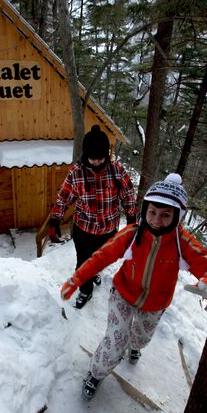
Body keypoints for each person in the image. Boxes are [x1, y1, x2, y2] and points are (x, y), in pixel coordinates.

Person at [60, 173, 207, 401]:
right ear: (145, 210)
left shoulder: (182, 242)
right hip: (123, 293)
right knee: (115, 341)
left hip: (155, 303)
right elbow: (102, 256)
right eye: (152, 212)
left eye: (165, 215)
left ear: (177, 216)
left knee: (140, 339)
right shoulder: (132, 233)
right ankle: (96, 373)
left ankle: (135, 346)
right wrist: (78, 278)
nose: (156, 220)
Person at [48, 124, 136, 309]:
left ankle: (94, 272)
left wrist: (131, 218)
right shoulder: (76, 173)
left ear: (107, 155)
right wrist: (55, 220)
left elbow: (128, 194)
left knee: (100, 258)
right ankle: (85, 291)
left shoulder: (116, 170)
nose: (96, 162)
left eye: (100, 158)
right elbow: (63, 198)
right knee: (83, 262)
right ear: (86, 155)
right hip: (83, 229)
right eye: (92, 158)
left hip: (108, 230)